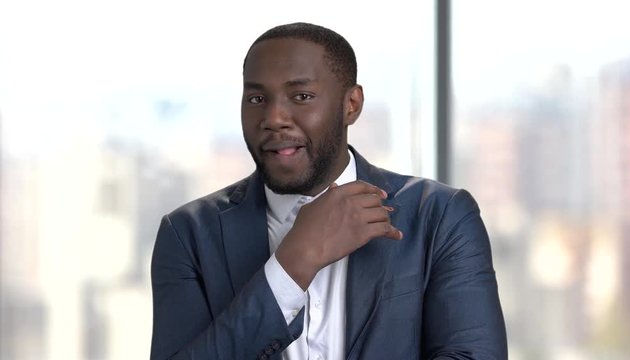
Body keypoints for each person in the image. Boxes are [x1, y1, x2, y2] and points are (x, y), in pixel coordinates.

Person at [150, 22, 507, 360]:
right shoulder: (188, 235)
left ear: (351, 105)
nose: (273, 118)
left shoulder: (441, 216)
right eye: (257, 99)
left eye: (301, 95)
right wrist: (293, 264)